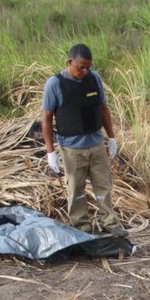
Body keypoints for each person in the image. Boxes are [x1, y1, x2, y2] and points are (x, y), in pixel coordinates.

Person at [41, 43, 129, 237]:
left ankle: (110, 222)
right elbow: (46, 119)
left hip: (96, 145)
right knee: (76, 190)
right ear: (69, 62)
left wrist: (111, 137)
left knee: (103, 186)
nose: (84, 71)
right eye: (80, 67)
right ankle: (81, 227)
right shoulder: (55, 84)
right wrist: (50, 152)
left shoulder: (94, 78)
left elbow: (103, 109)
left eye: (88, 67)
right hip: (71, 149)